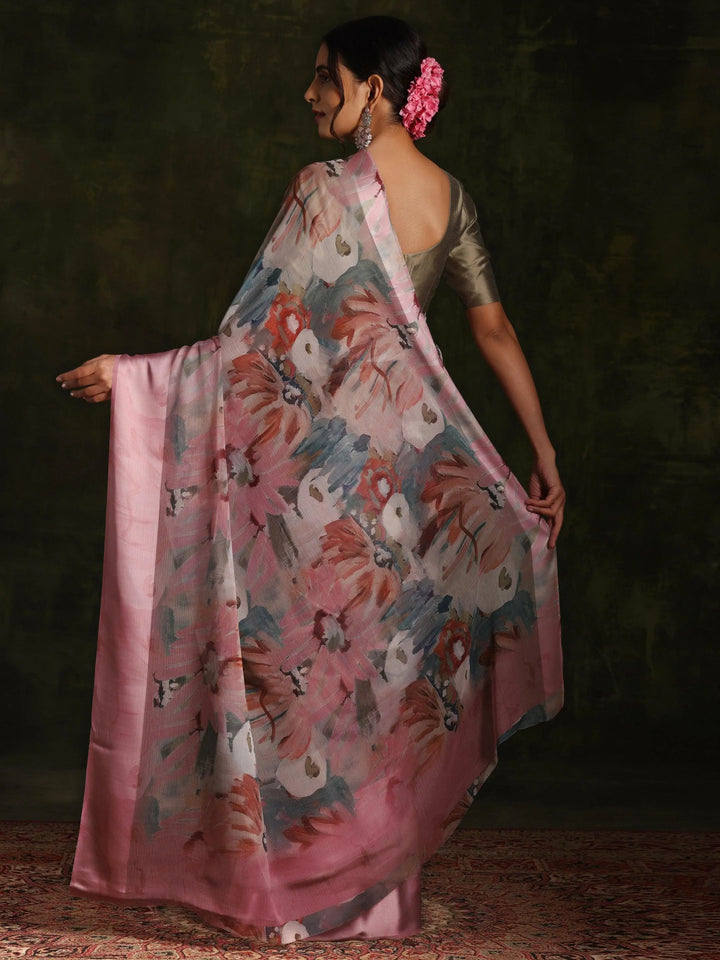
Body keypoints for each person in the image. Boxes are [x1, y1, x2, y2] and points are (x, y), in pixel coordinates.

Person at [57, 16, 564, 944]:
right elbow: (491, 329)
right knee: (373, 686)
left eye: (326, 77)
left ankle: (289, 896)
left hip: (309, 489)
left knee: (306, 682)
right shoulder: (450, 199)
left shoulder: (323, 188)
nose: (310, 94)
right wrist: (544, 453)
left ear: (374, 89)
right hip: (399, 493)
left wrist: (134, 377)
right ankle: (372, 902)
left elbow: (247, 349)